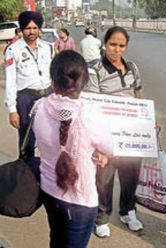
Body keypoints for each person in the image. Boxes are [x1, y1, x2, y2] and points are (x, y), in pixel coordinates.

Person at [33, 50, 114, 247]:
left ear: (53, 81)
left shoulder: (38, 108)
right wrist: (100, 153)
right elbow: (109, 147)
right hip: (79, 201)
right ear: (84, 82)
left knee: (56, 241)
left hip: (49, 192)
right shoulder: (90, 114)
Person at [86, 26, 144, 238]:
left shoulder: (132, 68)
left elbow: (138, 95)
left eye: (121, 46)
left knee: (130, 176)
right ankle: (101, 217)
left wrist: (147, 121)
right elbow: (92, 104)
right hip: (106, 135)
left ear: (126, 47)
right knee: (104, 178)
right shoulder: (94, 70)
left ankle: (128, 212)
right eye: (113, 44)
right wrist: (100, 142)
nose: (116, 50)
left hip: (131, 134)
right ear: (105, 43)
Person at [4, 11, 54, 160]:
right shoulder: (13, 50)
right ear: (21, 29)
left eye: (35, 28)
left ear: (39, 29)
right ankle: (26, 175)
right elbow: (11, 81)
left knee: (49, 137)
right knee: (27, 140)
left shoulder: (48, 47)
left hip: (47, 96)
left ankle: (47, 175)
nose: (32, 32)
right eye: (27, 28)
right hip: (26, 99)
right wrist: (12, 110)